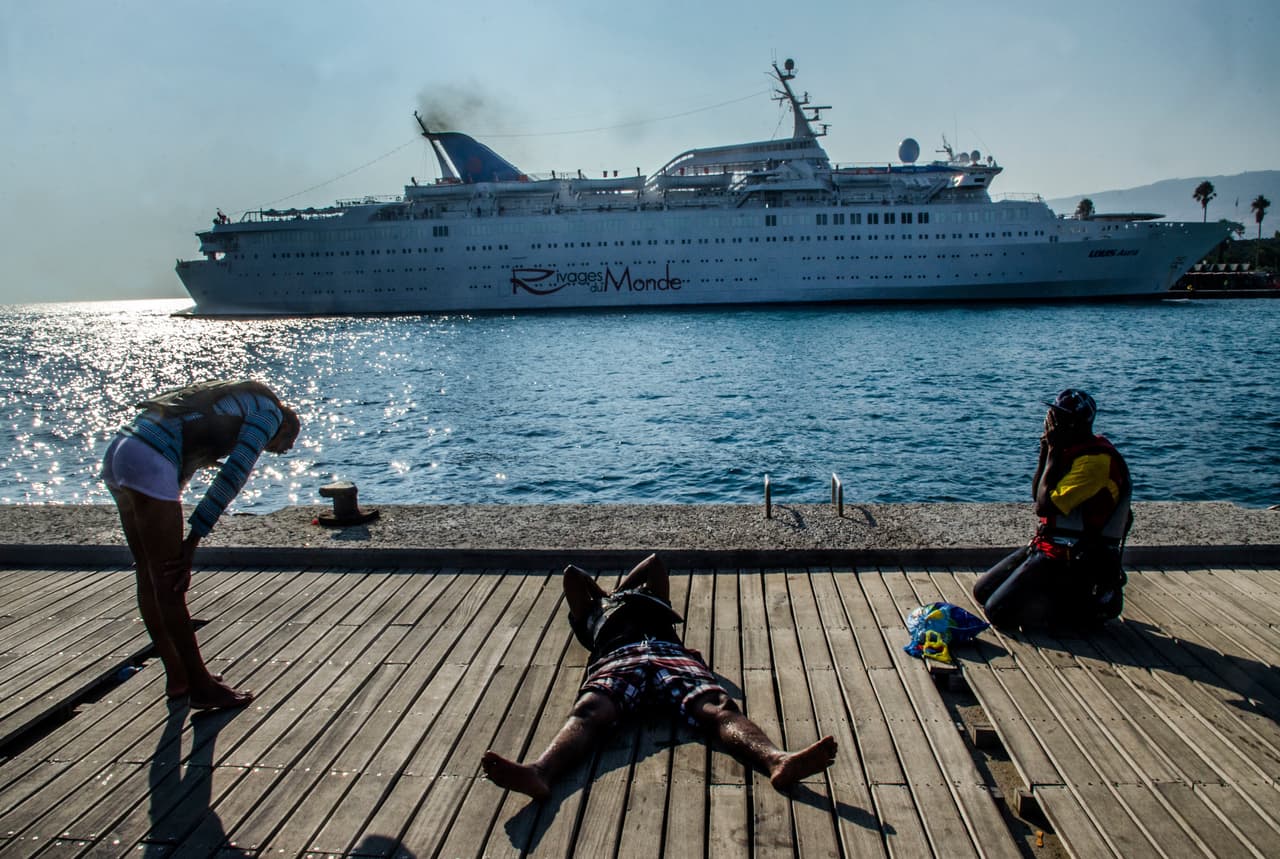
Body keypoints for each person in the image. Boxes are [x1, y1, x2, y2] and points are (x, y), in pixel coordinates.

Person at [480, 553, 837, 802]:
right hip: (621, 657)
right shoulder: (590, 617)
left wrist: (620, 591)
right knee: (590, 710)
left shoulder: (650, 605)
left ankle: (776, 760)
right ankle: (540, 772)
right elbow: (572, 574)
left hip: (669, 654)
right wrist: (609, 597)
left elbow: (655, 562)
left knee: (717, 708)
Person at [101, 379, 301, 710]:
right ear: (286, 426)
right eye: (285, 444)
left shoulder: (235, 402)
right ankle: (200, 686)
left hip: (123, 448)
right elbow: (234, 475)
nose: (283, 451)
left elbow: (180, 454)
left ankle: (178, 676)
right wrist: (191, 543)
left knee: (150, 576)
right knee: (170, 581)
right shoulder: (269, 413)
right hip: (149, 457)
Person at [973, 389, 1132, 629]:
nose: (1051, 424)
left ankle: (1079, 606)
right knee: (982, 591)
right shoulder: (1070, 452)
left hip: (1075, 556)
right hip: (1050, 546)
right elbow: (1038, 495)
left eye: (1058, 419)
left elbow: (1044, 507)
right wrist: (1045, 452)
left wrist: (1054, 455)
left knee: (998, 612)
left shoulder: (1094, 463)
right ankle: (1051, 597)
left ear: (1074, 424)